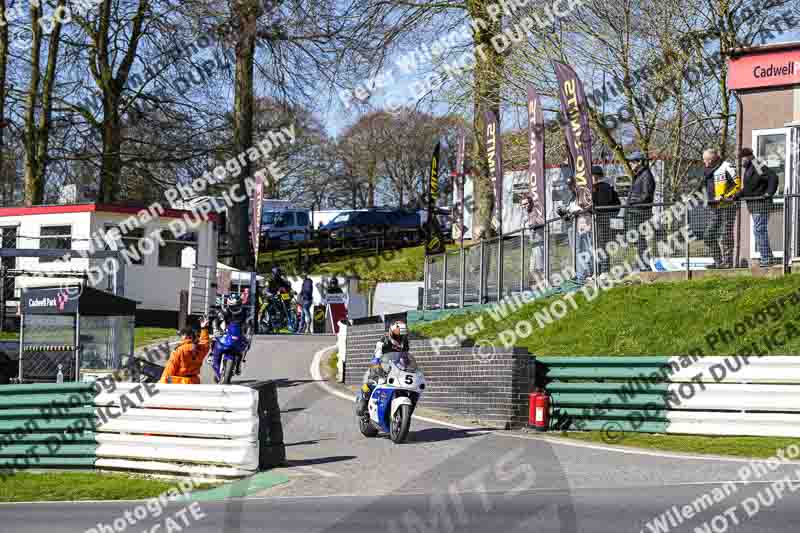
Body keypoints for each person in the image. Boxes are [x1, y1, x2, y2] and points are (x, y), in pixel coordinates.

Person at [734, 147, 779, 268]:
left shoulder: (756, 164)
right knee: (759, 231)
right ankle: (767, 257)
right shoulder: (749, 169)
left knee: (759, 230)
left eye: (741, 159)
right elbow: (749, 188)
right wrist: (738, 195)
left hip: (761, 204)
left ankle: (766, 259)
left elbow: (773, 177)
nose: (740, 162)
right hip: (754, 205)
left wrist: (769, 193)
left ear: (747, 156)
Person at [356, 320, 410, 416]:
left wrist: (408, 366)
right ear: (391, 332)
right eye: (397, 335)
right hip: (381, 365)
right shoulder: (383, 341)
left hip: (396, 367)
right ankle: (364, 400)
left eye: (402, 336)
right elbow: (377, 356)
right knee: (372, 379)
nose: (399, 338)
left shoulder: (404, 342)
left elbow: (406, 357)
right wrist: (378, 367)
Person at [699, 148, 739, 269]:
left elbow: (738, 185)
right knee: (708, 235)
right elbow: (702, 186)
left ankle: (727, 263)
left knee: (725, 234)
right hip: (713, 207)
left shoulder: (727, 166)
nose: (704, 163)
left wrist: (725, 197)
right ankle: (718, 261)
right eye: (704, 160)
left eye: (706, 160)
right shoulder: (707, 170)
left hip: (727, 206)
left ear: (713, 159)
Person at [556, 175, 592, 283]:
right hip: (573, 225)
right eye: (569, 185)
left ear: (576, 183)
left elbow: (589, 205)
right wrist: (563, 213)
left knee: (586, 248)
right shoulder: (571, 196)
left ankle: (587, 273)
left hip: (584, 223)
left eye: (572, 185)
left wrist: (579, 210)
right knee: (576, 250)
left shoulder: (583, 191)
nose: (570, 187)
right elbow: (568, 212)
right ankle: (579, 273)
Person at [624, 151, 656, 271]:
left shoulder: (646, 175)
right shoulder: (638, 175)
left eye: (632, 162)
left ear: (640, 162)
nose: (630, 164)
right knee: (637, 240)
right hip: (634, 212)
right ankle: (642, 264)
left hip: (640, 213)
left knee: (639, 239)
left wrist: (633, 202)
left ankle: (645, 265)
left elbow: (646, 195)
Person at [210, 293, 249, 379]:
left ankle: (239, 363)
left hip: (239, 331)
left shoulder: (245, 312)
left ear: (240, 304)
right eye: (232, 306)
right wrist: (216, 329)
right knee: (214, 337)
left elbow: (250, 324)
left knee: (247, 344)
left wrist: (248, 333)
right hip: (227, 330)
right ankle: (211, 354)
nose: (235, 308)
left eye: (237, 306)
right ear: (228, 305)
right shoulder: (225, 311)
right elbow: (216, 321)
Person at [160, 318, 210, 384]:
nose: (180, 337)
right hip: (194, 382)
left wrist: (162, 383)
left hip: (180, 383)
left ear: (186, 336)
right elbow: (205, 342)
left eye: (181, 335)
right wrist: (204, 328)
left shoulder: (179, 350)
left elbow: (170, 369)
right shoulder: (200, 348)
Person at [591, 166, 621, 275]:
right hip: (603, 219)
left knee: (601, 245)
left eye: (592, 176)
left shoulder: (602, 187)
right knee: (599, 245)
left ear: (596, 176)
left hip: (601, 220)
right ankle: (599, 270)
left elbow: (601, 203)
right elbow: (617, 204)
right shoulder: (608, 186)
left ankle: (603, 270)